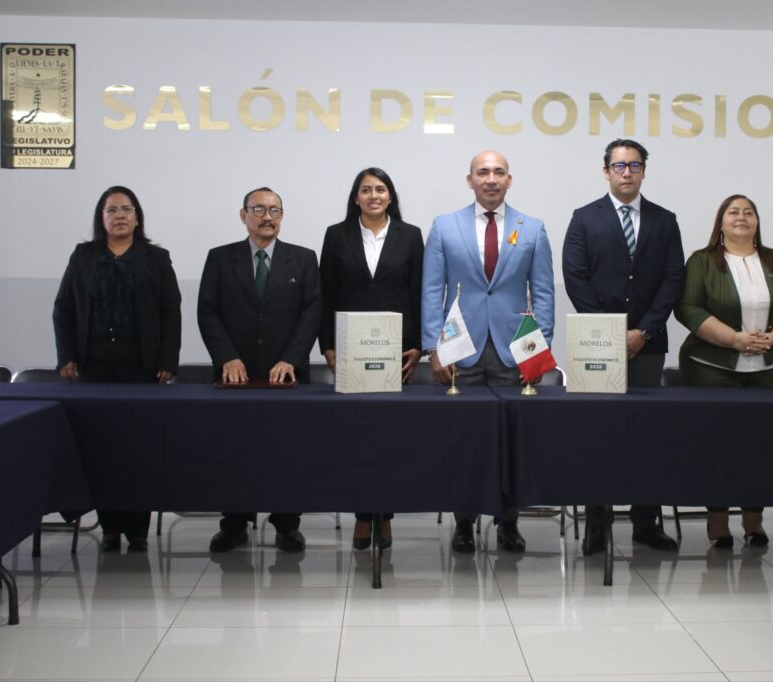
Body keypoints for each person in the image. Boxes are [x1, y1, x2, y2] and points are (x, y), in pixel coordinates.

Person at [422, 149, 555, 554]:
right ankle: (464, 523)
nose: (491, 179)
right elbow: (432, 289)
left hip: (514, 351)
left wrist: (537, 352)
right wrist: (433, 347)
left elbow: (543, 293)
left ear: (509, 180)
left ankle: (509, 523)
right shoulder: (444, 226)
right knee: (463, 442)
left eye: (499, 172)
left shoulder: (533, 228)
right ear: (470, 180)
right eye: (483, 172)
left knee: (513, 441)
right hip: (460, 348)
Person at [562, 138, 685, 554]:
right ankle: (597, 524)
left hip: (647, 345)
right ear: (606, 171)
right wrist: (609, 331)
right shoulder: (584, 218)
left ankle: (645, 523)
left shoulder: (664, 220)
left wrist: (643, 331)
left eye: (634, 165)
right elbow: (575, 275)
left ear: (644, 171)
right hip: (596, 345)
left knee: (647, 434)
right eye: (619, 165)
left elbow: (672, 279)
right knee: (598, 435)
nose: (627, 172)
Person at [674, 194, 773, 548]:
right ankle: (718, 520)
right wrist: (734, 339)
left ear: (757, 222)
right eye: (733, 212)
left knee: (762, 446)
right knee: (716, 445)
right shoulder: (702, 261)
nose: (741, 217)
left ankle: (754, 520)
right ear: (721, 222)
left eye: (749, 212)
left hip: (770, 367)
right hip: (711, 368)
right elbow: (688, 308)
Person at [53, 185, 182, 553]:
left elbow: (170, 311)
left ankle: (137, 530)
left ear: (137, 217)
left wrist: (167, 361)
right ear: (102, 218)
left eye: (127, 209)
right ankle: (110, 528)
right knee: (101, 447)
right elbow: (64, 308)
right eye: (112, 210)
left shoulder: (156, 258)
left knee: (139, 448)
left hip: (141, 365)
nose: (120, 215)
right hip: (93, 364)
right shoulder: (84, 256)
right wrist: (66, 356)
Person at [197, 186, 323, 553]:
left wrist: (291, 358)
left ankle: (287, 525)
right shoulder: (220, 258)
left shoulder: (303, 259)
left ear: (282, 217)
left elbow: (312, 312)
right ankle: (234, 524)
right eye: (259, 209)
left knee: (289, 452)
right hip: (235, 375)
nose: (267, 217)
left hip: (287, 377)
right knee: (233, 452)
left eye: (275, 210)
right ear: (243, 215)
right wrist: (227, 357)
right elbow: (207, 311)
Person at [319, 167, 424, 551]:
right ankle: (363, 517)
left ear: (390, 196)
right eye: (366, 190)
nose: (374, 196)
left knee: (390, 437)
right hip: (351, 349)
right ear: (356, 198)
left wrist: (419, 345)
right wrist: (327, 345)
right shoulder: (337, 235)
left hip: (396, 351)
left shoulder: (410, 235)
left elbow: (418, 292)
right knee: (357, 436)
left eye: (380, 189)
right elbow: (326, 292)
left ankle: (385, 516)